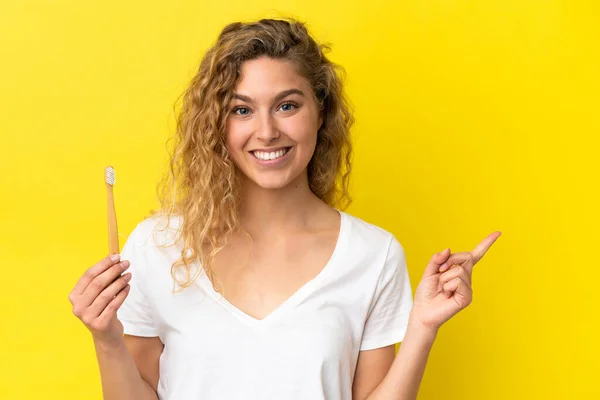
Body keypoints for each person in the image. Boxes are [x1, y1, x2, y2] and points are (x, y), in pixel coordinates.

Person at [69, 18, 501, 400]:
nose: (267, 131)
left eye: (287, 105)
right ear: (217, 123)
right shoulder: (157, 245)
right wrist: (107, 341)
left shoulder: (374, 254)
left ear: (320, 112)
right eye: (242, 110)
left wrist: (423, 327)